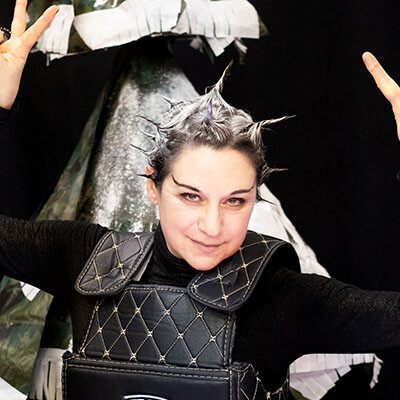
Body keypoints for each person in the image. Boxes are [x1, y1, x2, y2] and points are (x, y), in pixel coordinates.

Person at [1, 1, 400, 399]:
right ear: (153, 186)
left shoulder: (281, 298)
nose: (212, 226)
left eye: (235, 201)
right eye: (191, 196)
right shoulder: (83, 259)